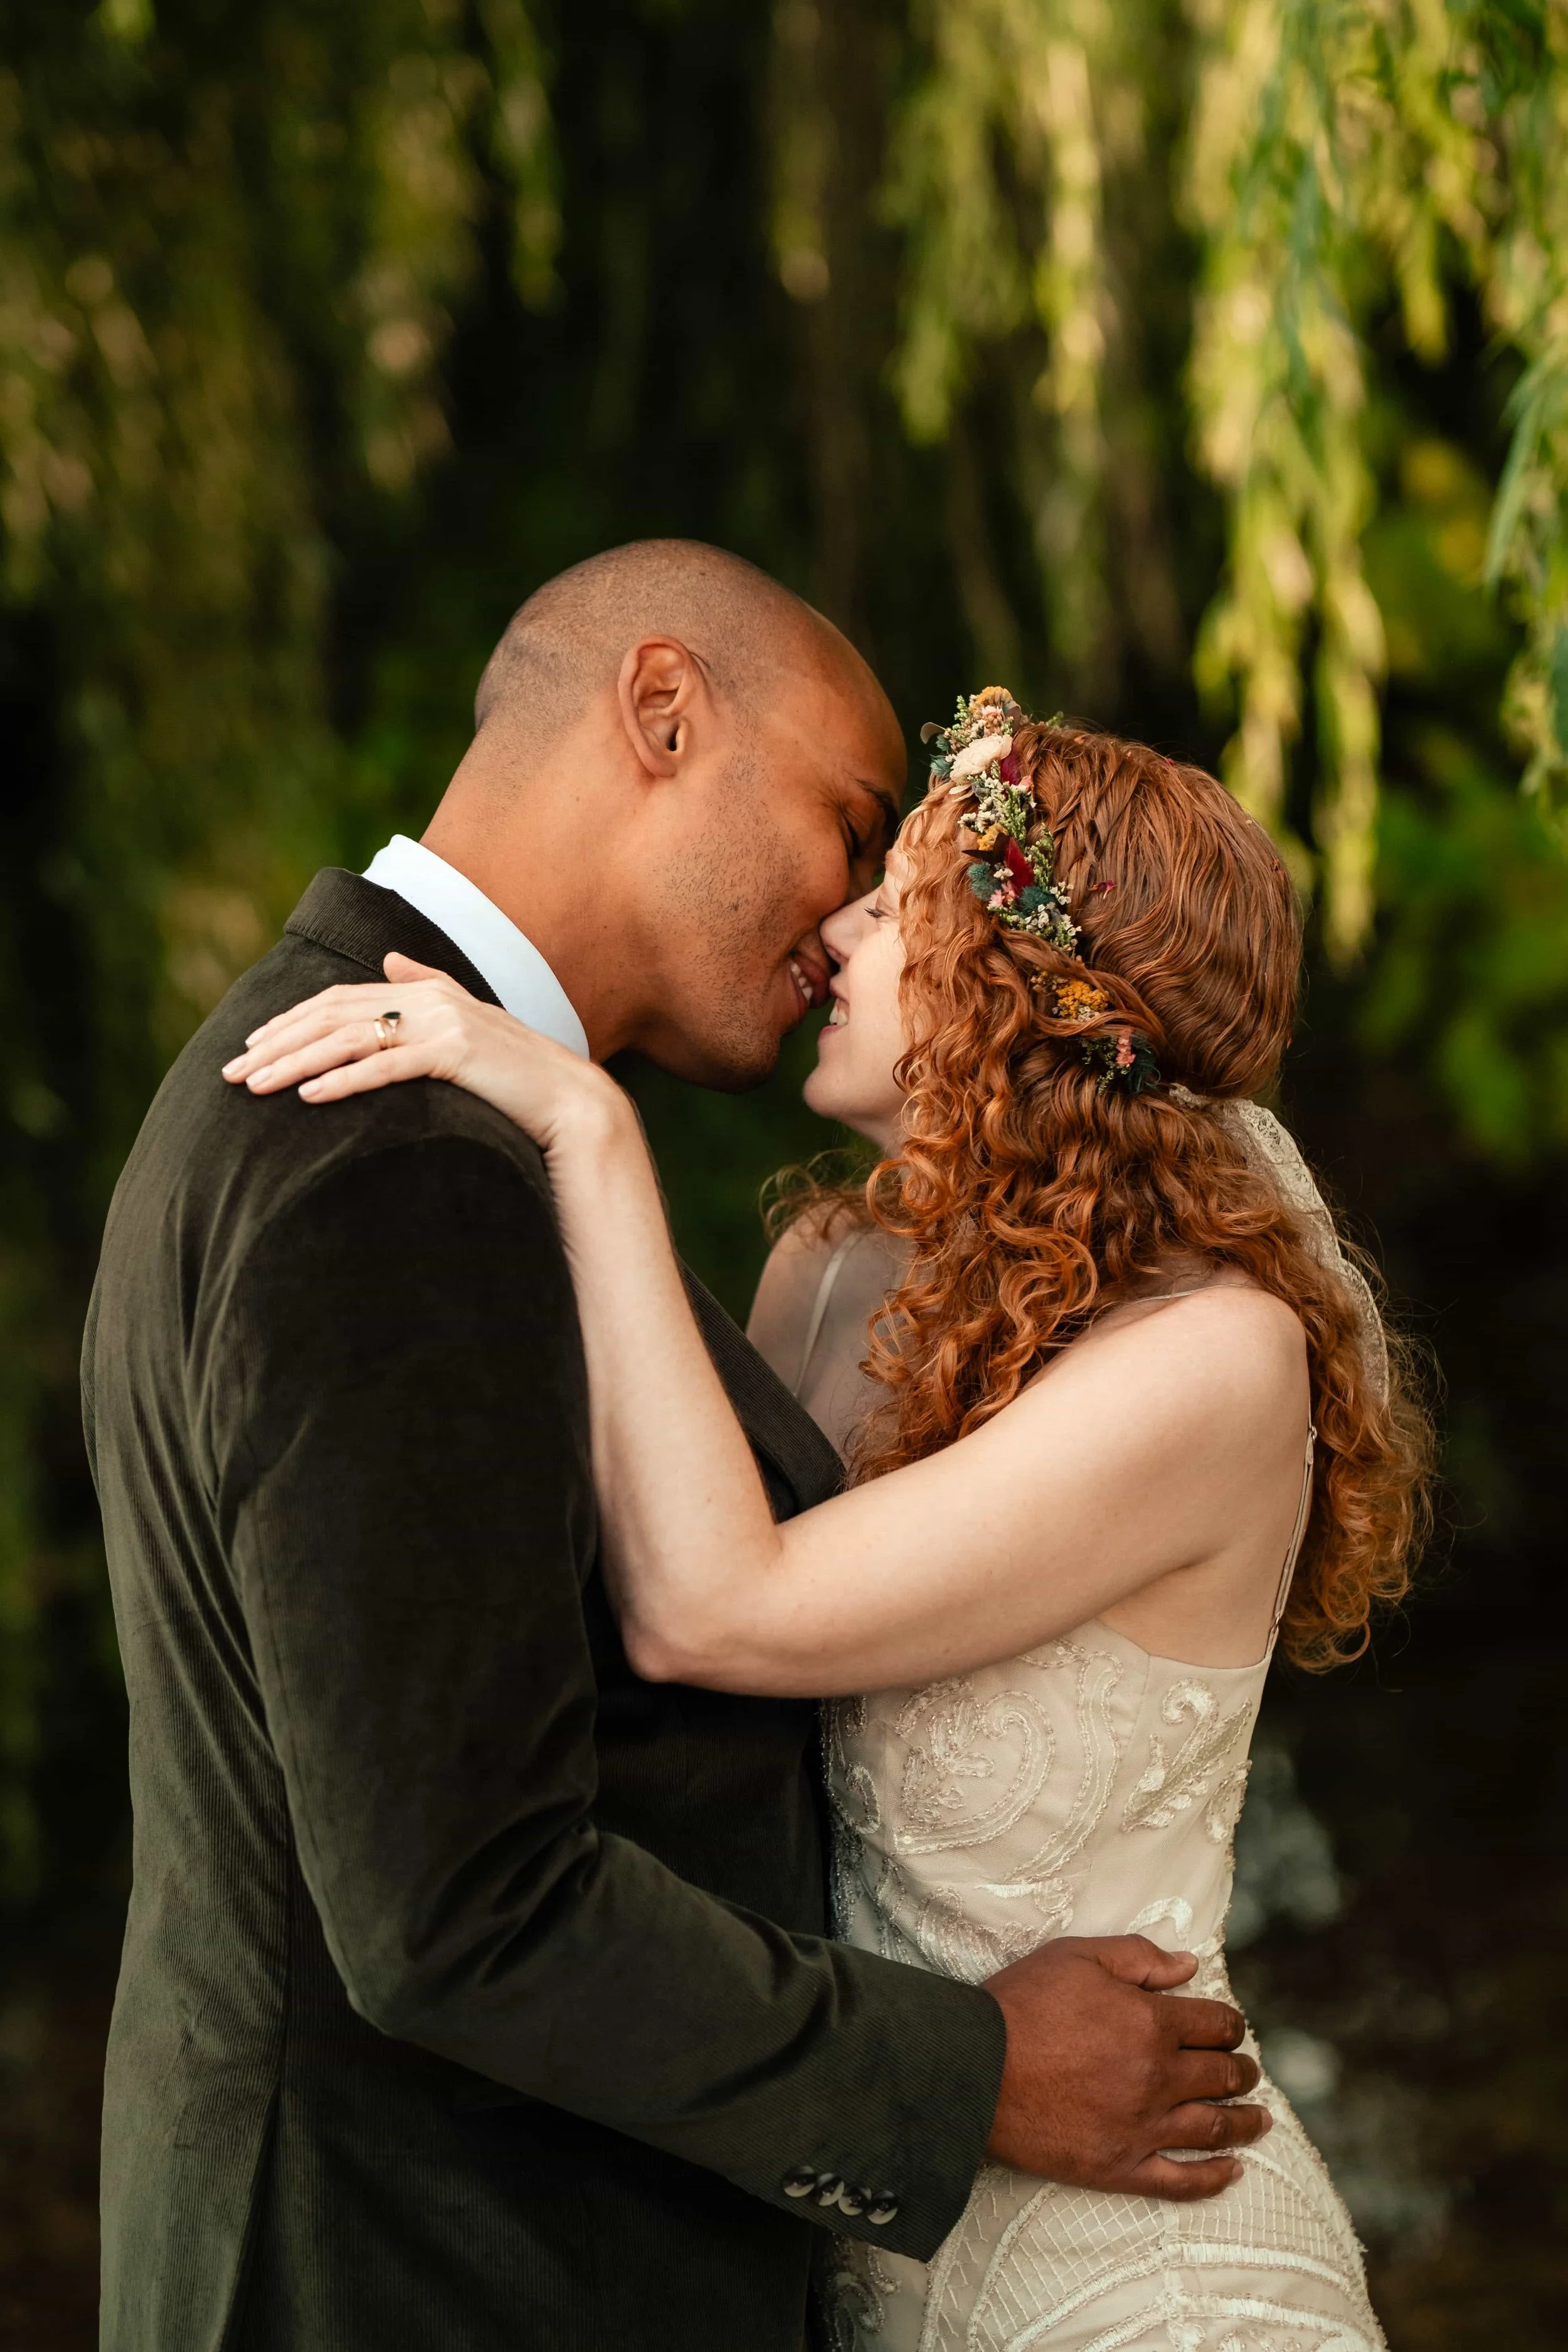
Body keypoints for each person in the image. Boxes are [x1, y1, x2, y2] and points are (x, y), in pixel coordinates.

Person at [85, 551, 1267, 2352]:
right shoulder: (392, 1155)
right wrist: (969, 2075)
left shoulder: (405, 1096)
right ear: (659, 709)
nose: (853, 907)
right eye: (849, 819)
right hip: (421, 2281)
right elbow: (458, 1908)